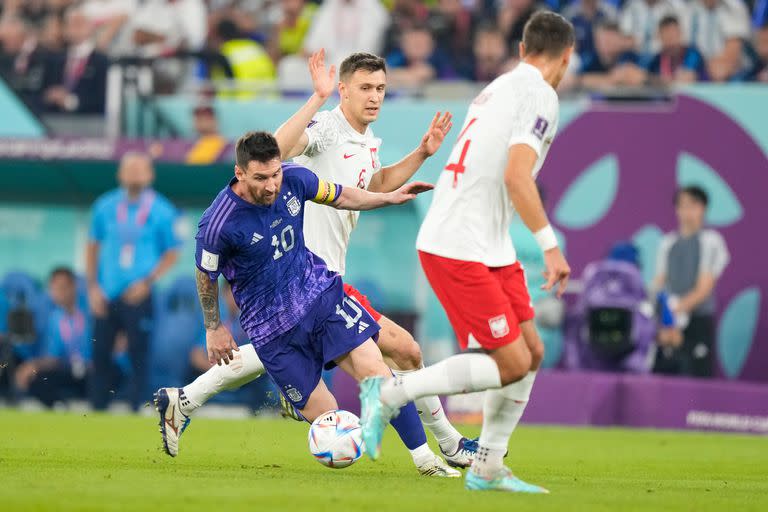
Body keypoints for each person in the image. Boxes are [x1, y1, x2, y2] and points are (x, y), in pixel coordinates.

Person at [157, 50, 476, 476]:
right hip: (302, 270)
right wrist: (316, 98)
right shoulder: (326, 127)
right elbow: (277, 149)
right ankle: (448, 443)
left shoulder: (364, 142)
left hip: (320, 278)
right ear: (342, 90)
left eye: (380, 88)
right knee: (404, 349)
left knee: (283, 350)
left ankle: (186, 400)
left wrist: (421, 153)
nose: (375, 97)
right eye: (365, 88)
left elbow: (372, 184)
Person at [359, 11, 574, 493]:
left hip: (488, 244)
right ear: (567, 56)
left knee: (531, 351)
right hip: (458, 244)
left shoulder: (501, 86)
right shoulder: (541, 94)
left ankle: (488, 465)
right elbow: (517, 175)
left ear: (520, 51)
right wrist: (551, 248)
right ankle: (392, 390)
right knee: (511, 362)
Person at [155, 131, 434, 470]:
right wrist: (213, 327)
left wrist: (388, 198)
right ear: (239, 173)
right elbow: (205, 275)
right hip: (273, 332)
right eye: (261, 178)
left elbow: (342, 196)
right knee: (331, 422)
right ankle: (188, 401)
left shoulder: (295, 178)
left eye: (275, 174)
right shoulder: (218, 224)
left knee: (378, 373)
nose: (272, 185)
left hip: (320, 297)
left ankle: (426, 459)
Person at [87, 152, 181, 411]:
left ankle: (136, 407)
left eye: (141, 169)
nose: (135, 174)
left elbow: (173, 252)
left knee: (139, 355)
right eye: (130, 169)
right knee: (100, 353)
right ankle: (96, 409)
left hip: (139, 293)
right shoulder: (104, 206)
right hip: (106, 292)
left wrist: (147, 282)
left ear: (150, 175)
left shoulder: (162, 210)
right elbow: (92, 246)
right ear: (120, 174)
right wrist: (93, 287)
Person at [652, 185, 730, 378]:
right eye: (683, 205)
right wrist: (665, 322)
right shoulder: (667, 243)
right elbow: (659, 283)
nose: (687, 211)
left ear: (703, 208)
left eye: (693, 205)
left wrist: (677, 312)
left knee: (696, 380)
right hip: (668, 326)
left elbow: (703, 289)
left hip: (697, 323)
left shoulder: (711, 241)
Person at [14, 268, 91, 407]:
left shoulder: (90, 311)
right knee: (36, 378)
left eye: (62, 288)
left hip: (93, 369)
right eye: (54, 288)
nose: (58, 293)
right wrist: (33, 365)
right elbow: (53, 358)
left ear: (74, 287)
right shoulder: (55, 319)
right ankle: (60, 407)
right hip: (67, 369)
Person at [44, 8, 109, 114]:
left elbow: (103, 97)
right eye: (70, 24)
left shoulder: (101, 61)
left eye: (79, 23)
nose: (74, 29)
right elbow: (46, 90)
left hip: (89, 122)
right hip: (55, 120)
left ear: (91, 27)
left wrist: (70, 101)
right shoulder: (55, 59)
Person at [689, 0, 752, 82]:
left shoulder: (734, 7)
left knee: (720, 71)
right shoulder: (691, 7)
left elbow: (732, 51)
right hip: (699, 67)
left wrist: (712, 68)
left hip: (733, 70)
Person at [646, 16, 707, 84]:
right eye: (666, 33)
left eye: (673, 32)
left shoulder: (692, 54)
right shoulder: (656, 61)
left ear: (680, 33)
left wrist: (696, 76)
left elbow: (690, 76)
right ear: (659, 36)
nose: (670, 36)